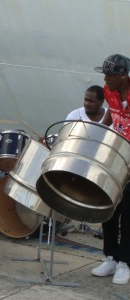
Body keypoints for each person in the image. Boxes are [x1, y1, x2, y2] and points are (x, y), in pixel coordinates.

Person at [91, 54, 130, 285]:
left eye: (110, 75)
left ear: (123, 75)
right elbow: (110, 116)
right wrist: (95, 130)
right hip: (114, 156)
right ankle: (111, 257)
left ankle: (126, 262)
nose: (105, 79)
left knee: (128, 211)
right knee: (108, 207)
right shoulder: (109, 90)